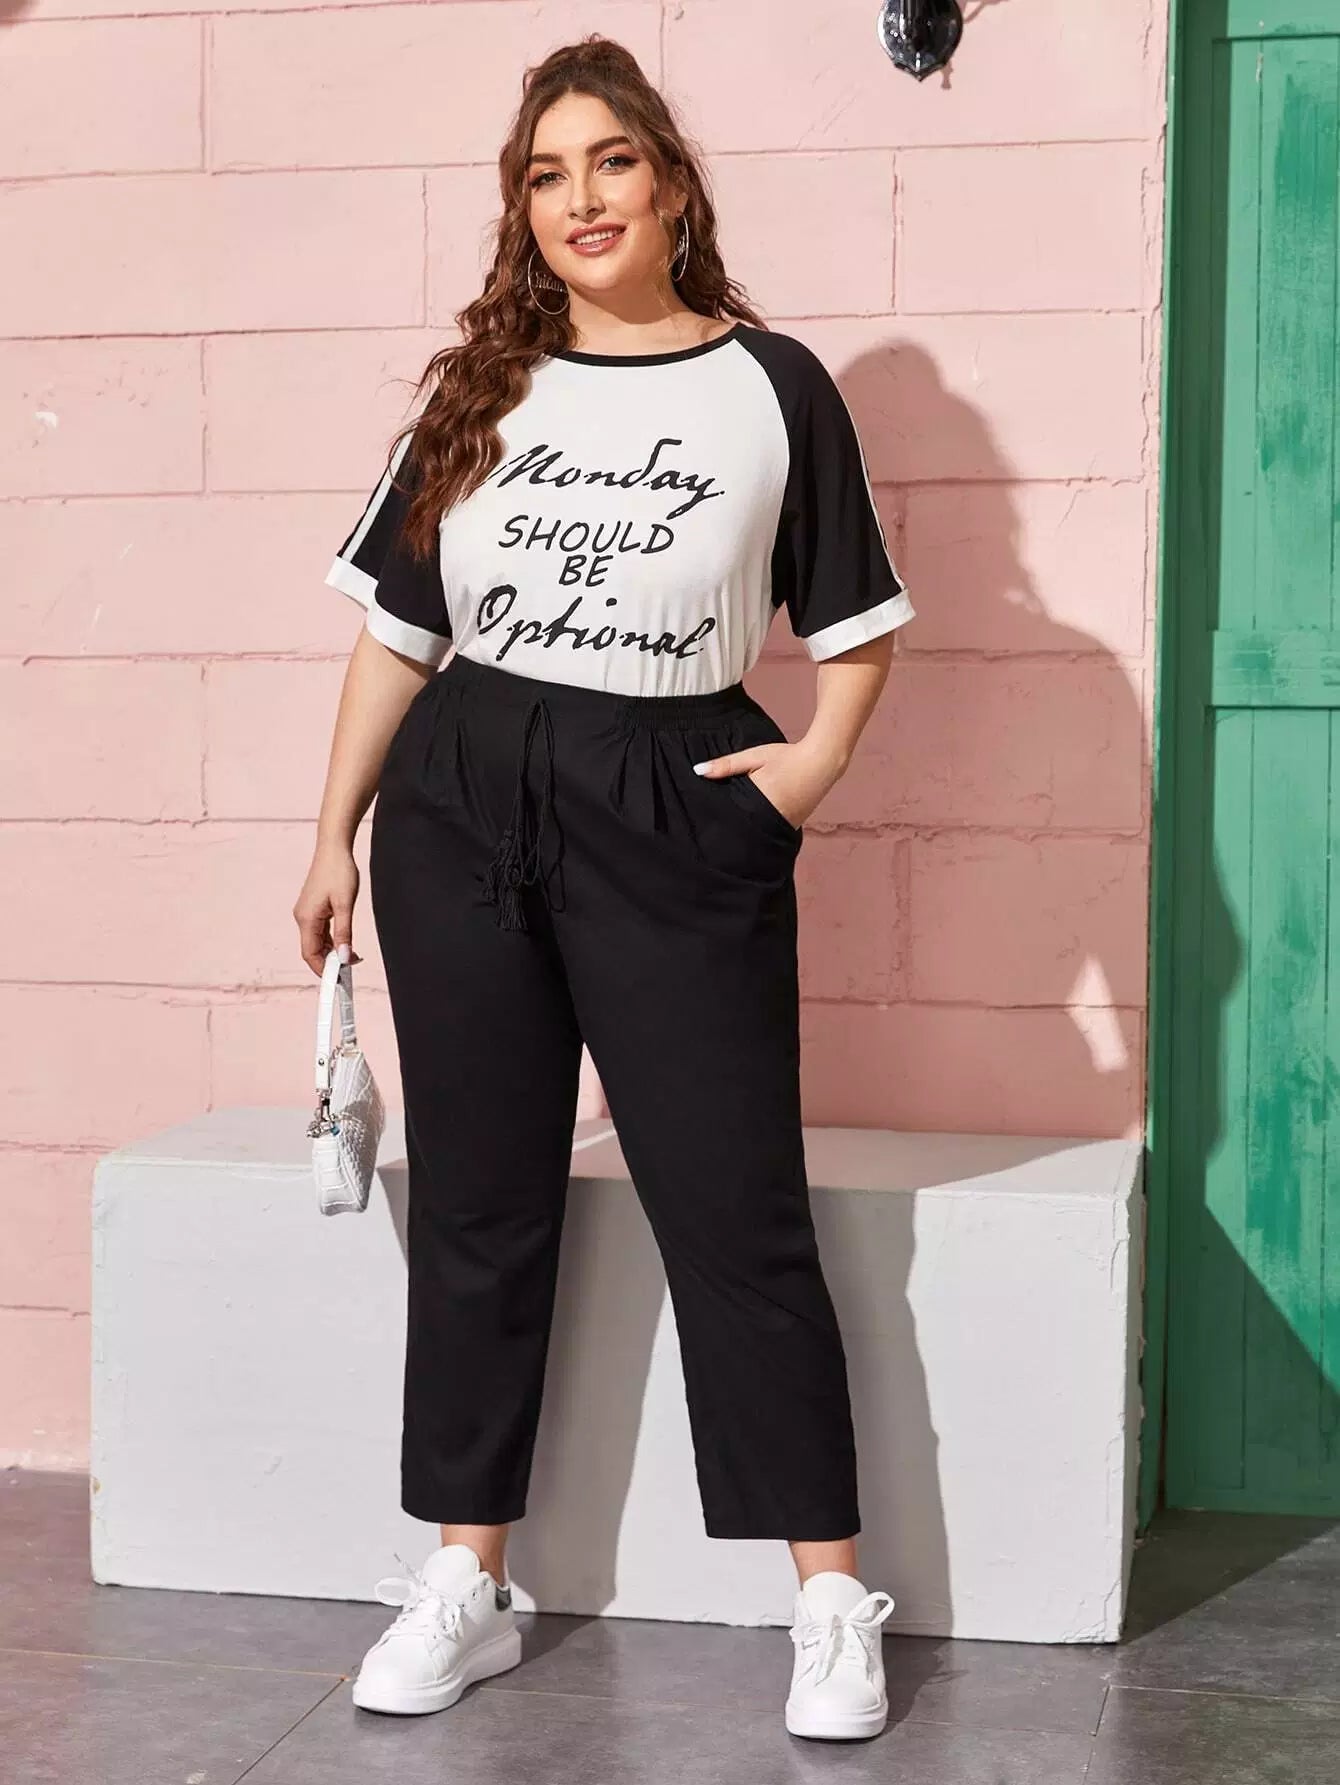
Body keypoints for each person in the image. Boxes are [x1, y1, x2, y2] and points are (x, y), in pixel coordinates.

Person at [293, 33, 910, 1744]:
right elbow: (397, 636)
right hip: (463, 795)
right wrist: (332, 834)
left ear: (670, 180)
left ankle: (829, 1598)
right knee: (480, 1201)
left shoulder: (773, 387)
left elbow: (857, 625)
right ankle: (467, 1577)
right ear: (524, 207)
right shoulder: (482, 391)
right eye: (546, 174)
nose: (581, 199)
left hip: (675, 800)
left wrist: (805, 772)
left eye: (610, 162)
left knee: (734, 1202)